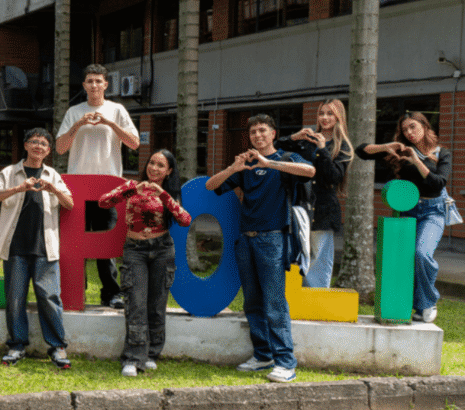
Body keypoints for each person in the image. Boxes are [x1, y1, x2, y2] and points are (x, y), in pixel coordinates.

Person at [205, 114, 315, 383]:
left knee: (274, 302)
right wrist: (234, 168)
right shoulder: (246, 166)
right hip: (246, 238)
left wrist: (270, 163)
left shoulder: (287, 159)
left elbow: (311, 171)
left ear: (273, 133)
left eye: (263, 130)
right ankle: (263, 355)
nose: (258, 135)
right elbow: (211, 186)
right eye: (253, 131)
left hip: (273, 239)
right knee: (252, 301)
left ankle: (286, 362)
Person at [0, 128, 74, 369]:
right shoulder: (9, 172)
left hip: (45, 247)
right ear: (25, 145)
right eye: (34, 141)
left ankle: (57, 347)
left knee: (49, 297)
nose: (38, 146)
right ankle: (16, 345)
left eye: (43, 144)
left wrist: (53, 189)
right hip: (15, 247)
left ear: (48, 150)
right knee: (15, 298)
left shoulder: (52, 174)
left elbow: (70, 203)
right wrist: (17, 189)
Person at [99, 150, 191, 377]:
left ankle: (151, 354)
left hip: (162, 249)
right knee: (135, 304)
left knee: (157, 305)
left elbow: (184, 219)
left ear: (169, 171)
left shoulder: (170, 193)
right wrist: (132, 190)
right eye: (152, 163)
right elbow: (103, 202)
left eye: (161, 165)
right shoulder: (133, 186)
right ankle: (132, 358)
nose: (154, 168)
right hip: (135, 251)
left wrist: (164, 196)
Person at [55, 63, 139, 309]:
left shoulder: (117, 110)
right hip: (77, 189)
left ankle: (111, 293)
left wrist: (110, 124)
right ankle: (74, 291)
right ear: (84, 85)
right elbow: (60, 148)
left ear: (105, 84)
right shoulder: (74, 111)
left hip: (108, 188)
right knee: (74, 244)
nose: (94, 85)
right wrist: (77, 125)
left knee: (106, 245)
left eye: (98, 81)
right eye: (89, 81)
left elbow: (134, 143)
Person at [356, 112, 451, 323]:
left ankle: (428, 301)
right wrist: (385, 147)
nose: (409, 133)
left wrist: (416, 159)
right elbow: (361, 151)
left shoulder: (441, 153)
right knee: (402, 261)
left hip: (432, 212)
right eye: (405, 129)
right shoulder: (398, 151)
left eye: (413, 127)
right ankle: (409, 306)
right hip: (406, 211)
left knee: (421, 254)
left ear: (425, 127)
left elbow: (438, 184)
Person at [275, 100, 353, 288]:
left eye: (330, 114)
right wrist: (294, 137)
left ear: (338, 118)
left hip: (324, 209)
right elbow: (276, 148)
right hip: (299, 205)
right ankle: (295, 296)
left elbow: (334, 177)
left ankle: (315, 297)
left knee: (318, 256)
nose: (324, 118)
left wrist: (322, 149)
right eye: (321, 113)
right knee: (297, 250)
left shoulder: (342, 146)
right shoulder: (306, 141)